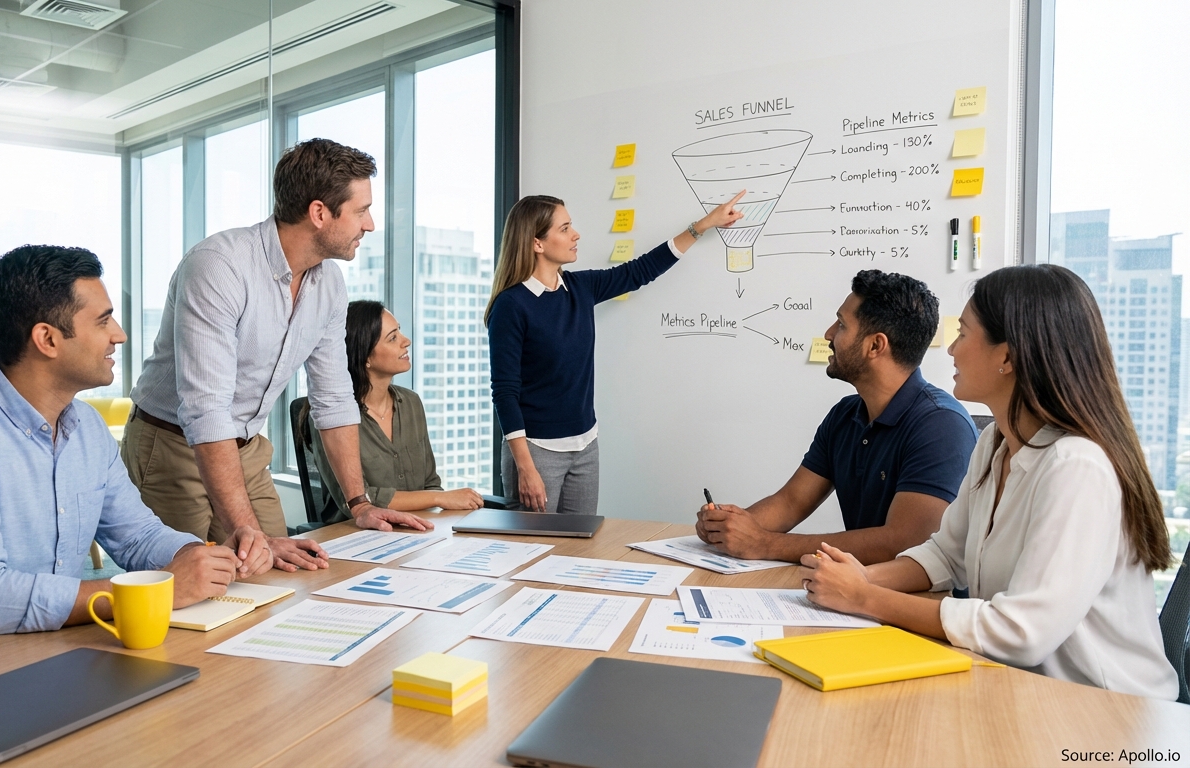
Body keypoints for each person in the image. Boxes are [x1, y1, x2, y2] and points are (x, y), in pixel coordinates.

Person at [799, 265, 1179, 700]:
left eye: (963, 334)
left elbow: (1021, 632)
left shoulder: (1077, 467)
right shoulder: (995, 444)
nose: (952, 351)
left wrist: (865, 597)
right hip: (1022, 690)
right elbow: (945, 554)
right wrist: (863, 577)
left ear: (1008, 357)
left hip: (1105, 712)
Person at [0, 246, 254, 655]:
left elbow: (137, 536)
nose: (119, 334)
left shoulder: (86, 427)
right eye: (103, 321)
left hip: (44, 654)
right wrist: (150, 592)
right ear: (47, 339)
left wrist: (200, 558)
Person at [123, 139, 431, 569]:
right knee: (188, 592)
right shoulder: (219, 266)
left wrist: (358, 503)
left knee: (282, 575)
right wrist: (254, 538)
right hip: (172, 446)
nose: (371, 224)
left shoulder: (328, 284)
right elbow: (206, 409)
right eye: (361, 211)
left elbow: (335, 397)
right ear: (320, 213)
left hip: (246, 449)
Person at [487, 193, 747, 514]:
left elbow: (641, 271)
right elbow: (505, 392)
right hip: (536, 452)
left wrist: (702, 226)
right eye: (565, 228)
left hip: (585, 447)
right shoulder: (511, 306)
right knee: (534, 554)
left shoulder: (580, 288)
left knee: (578, 554)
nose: (576, 234)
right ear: (537, 243)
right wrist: (525, 468)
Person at [696, 270, 978, 565]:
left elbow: (903, 542)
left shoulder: (942, 425)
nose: (829, 334)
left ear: (875, 346)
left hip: (915, 602)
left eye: (841, 324)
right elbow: (791, 502)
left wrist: (764, 543)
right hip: (852, 591)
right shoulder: (845, 414)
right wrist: (729, 528)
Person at [308, 301, 485, 521]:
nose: (406, 341)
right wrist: (439, 498)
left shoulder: (411, 403)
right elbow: (360, 499)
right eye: (393, 338)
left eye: (399, 331)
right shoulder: (333, 416)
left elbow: (430, 482)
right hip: (355, 534)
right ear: (366, 357)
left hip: (416, 527)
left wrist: (441, 502)